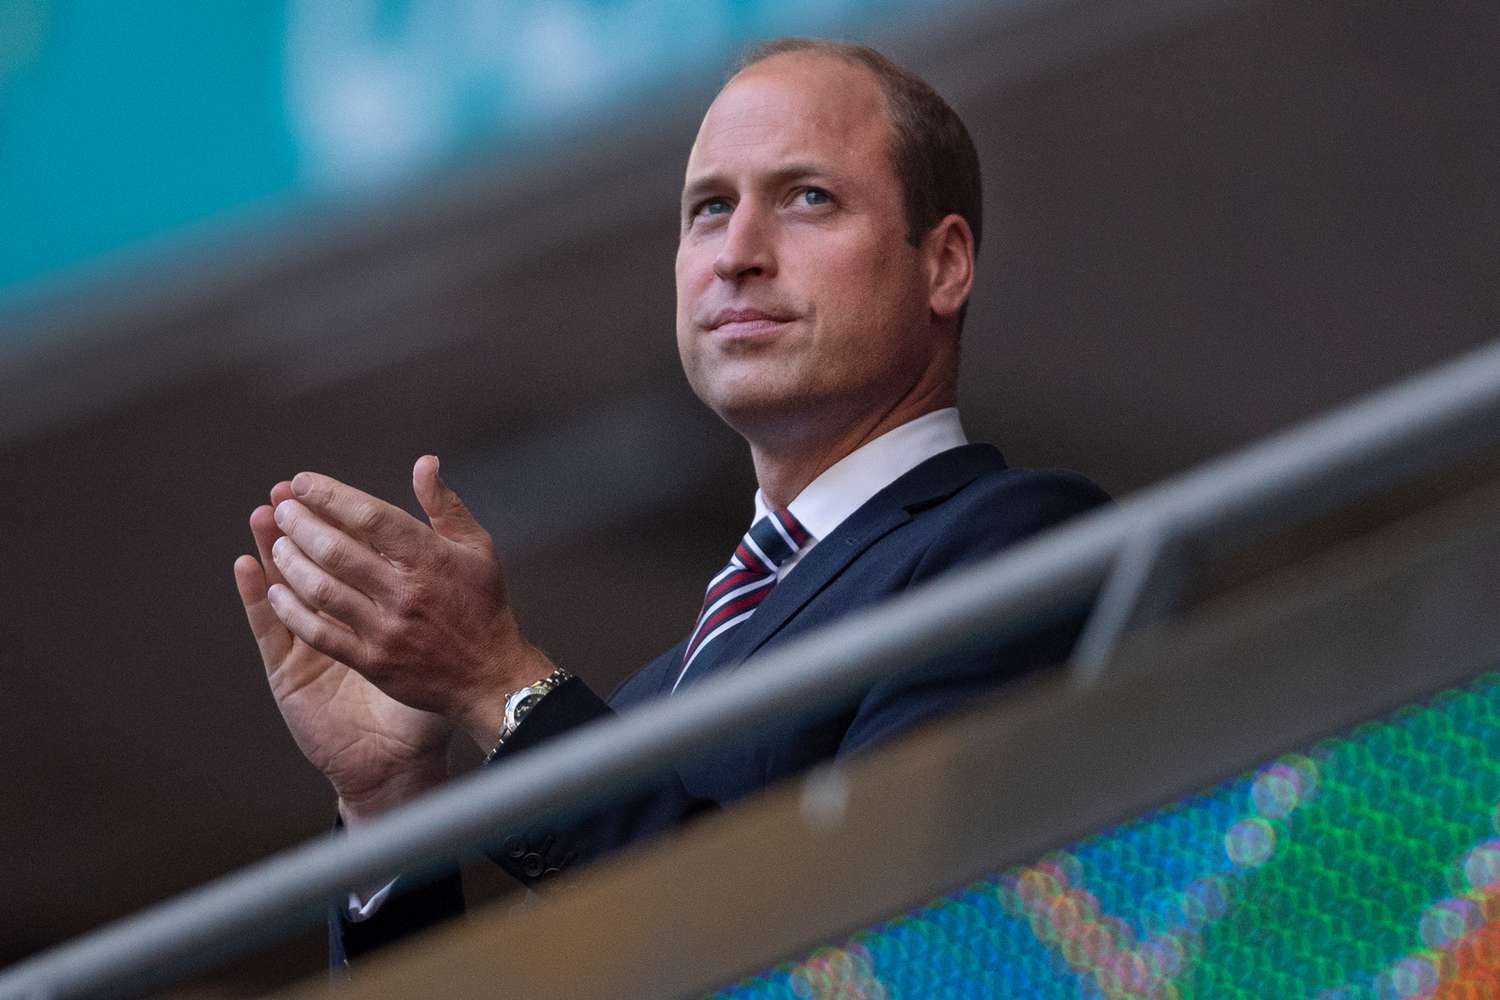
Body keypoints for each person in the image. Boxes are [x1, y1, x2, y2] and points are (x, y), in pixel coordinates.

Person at [233, 38, 1108, 963]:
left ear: (944, 265)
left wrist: (498, 685)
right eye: (708, 209)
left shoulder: (1015, 541)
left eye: (808, 197)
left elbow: (876, 950)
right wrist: (389, 805)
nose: (736, 254)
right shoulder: (648, 700)